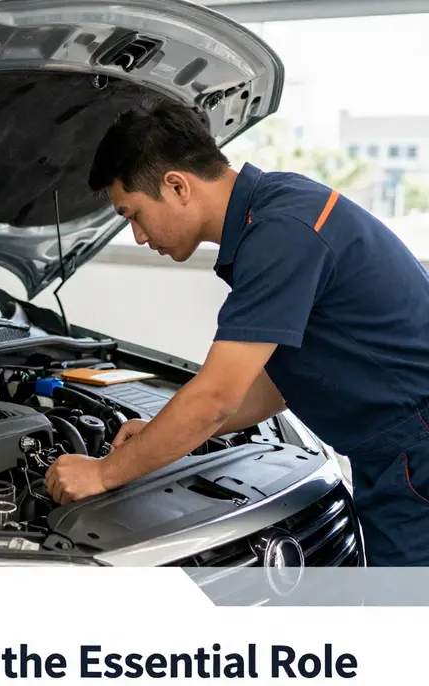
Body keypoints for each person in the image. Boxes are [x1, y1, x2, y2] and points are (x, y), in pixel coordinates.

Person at [43, 97, 429, 566]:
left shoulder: (280, 233)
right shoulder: (276, 208)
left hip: (416, 456)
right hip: (393, 456)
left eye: (133, 215)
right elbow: (276, 384)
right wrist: (158, 437)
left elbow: (217, 396)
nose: (139, 237)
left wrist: (105, 473)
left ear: (177, 186)